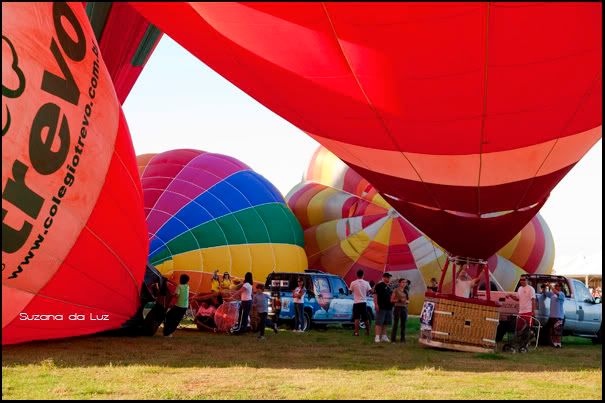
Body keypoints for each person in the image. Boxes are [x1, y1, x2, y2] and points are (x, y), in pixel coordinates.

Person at [507, 276, 536, 347]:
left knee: (528, 328)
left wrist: (533, 311)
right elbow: (517, 299)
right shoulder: (519, 288)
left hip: (528, 311)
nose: (522, 281)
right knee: (519, 328)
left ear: (527, 280)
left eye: (524, 280)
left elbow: (533, 300)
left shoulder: (530, 288)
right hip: (521, 312)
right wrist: (511, 295)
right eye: (521, 280)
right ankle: (521, 342)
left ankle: (528, 342)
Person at [349, 269, 372, 336]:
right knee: (365, 318)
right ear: (363, 275)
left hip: (356, 303)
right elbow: (370, 291)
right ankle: (367, 332)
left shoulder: (353, 283)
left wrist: (352, 291)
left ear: (356, 275)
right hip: (363, 302)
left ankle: (356, 332)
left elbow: (350, 292)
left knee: (356, 318)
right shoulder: (366, 283)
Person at [543, 282, 565, 348]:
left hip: (559, 316)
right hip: (552, 315)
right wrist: (544, 286)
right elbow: (545, 293)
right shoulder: (552, 294)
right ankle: (554, 343)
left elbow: (556, 292)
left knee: (558, 330)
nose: (556, 286)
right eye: (555, 285)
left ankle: (558, 343)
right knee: (553, 330)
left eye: (557, 285)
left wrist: (550, 286)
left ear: (560, 287)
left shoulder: (561, 294)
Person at [373, 272, 393, 343]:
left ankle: (384, 336)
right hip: (381, 306)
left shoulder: (390, 286)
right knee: (379, 322)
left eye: (389, 277)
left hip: (389, 307)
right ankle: (377, 336)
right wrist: (376, 304)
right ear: (384, 277)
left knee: (386, 322)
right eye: (387, 277)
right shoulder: (379, 285)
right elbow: (375, 295)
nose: (389, 279)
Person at [390, 278, 408, 343]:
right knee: (396, 323)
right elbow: (391, 300)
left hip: (404, 307)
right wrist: (399, 300)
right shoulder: (396, 290)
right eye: (403, 282)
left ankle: (402, 339)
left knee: (403, 324)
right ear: (399, 283)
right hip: (397, 307)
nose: (404, 284)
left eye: (405, 282)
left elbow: (407, 299)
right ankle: (393, 339)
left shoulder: (406, 291)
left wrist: (407, 301)